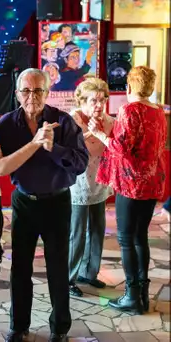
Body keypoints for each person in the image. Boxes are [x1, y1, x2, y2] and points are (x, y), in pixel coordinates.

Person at [0, 68, 87, 342]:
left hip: (57, 202)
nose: (32, 96)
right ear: (18, 94)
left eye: (38, 90)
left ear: (47, 92)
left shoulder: (63, 122)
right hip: (23, 203)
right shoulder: (7, 124)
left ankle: (59, 329)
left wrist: (53, 148)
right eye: (26, 91)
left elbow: (80, 164)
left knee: (58, 269)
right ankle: (19, 327)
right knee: (20, 268)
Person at [89, 66, 167, 314]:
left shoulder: (129, 109)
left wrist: (99, 134)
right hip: (153, 181)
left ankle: (132, 296)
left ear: (129, 87)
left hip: (132, 183)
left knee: (125, 239)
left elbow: (121, 148)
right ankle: (141, 294)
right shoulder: (158, 111)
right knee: (139, 237)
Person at [67, 78, 115, 298]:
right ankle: (68, 278)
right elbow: (71, 148)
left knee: (97, 230)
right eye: (94, 100)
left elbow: (112, 148)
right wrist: (92, 133)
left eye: (103, 99)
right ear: (82, 100)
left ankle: (89, 272)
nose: (99, 105)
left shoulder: (108, 120)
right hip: (77, 183)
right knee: (77, 233)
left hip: (99, 180)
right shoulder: (73, 119)